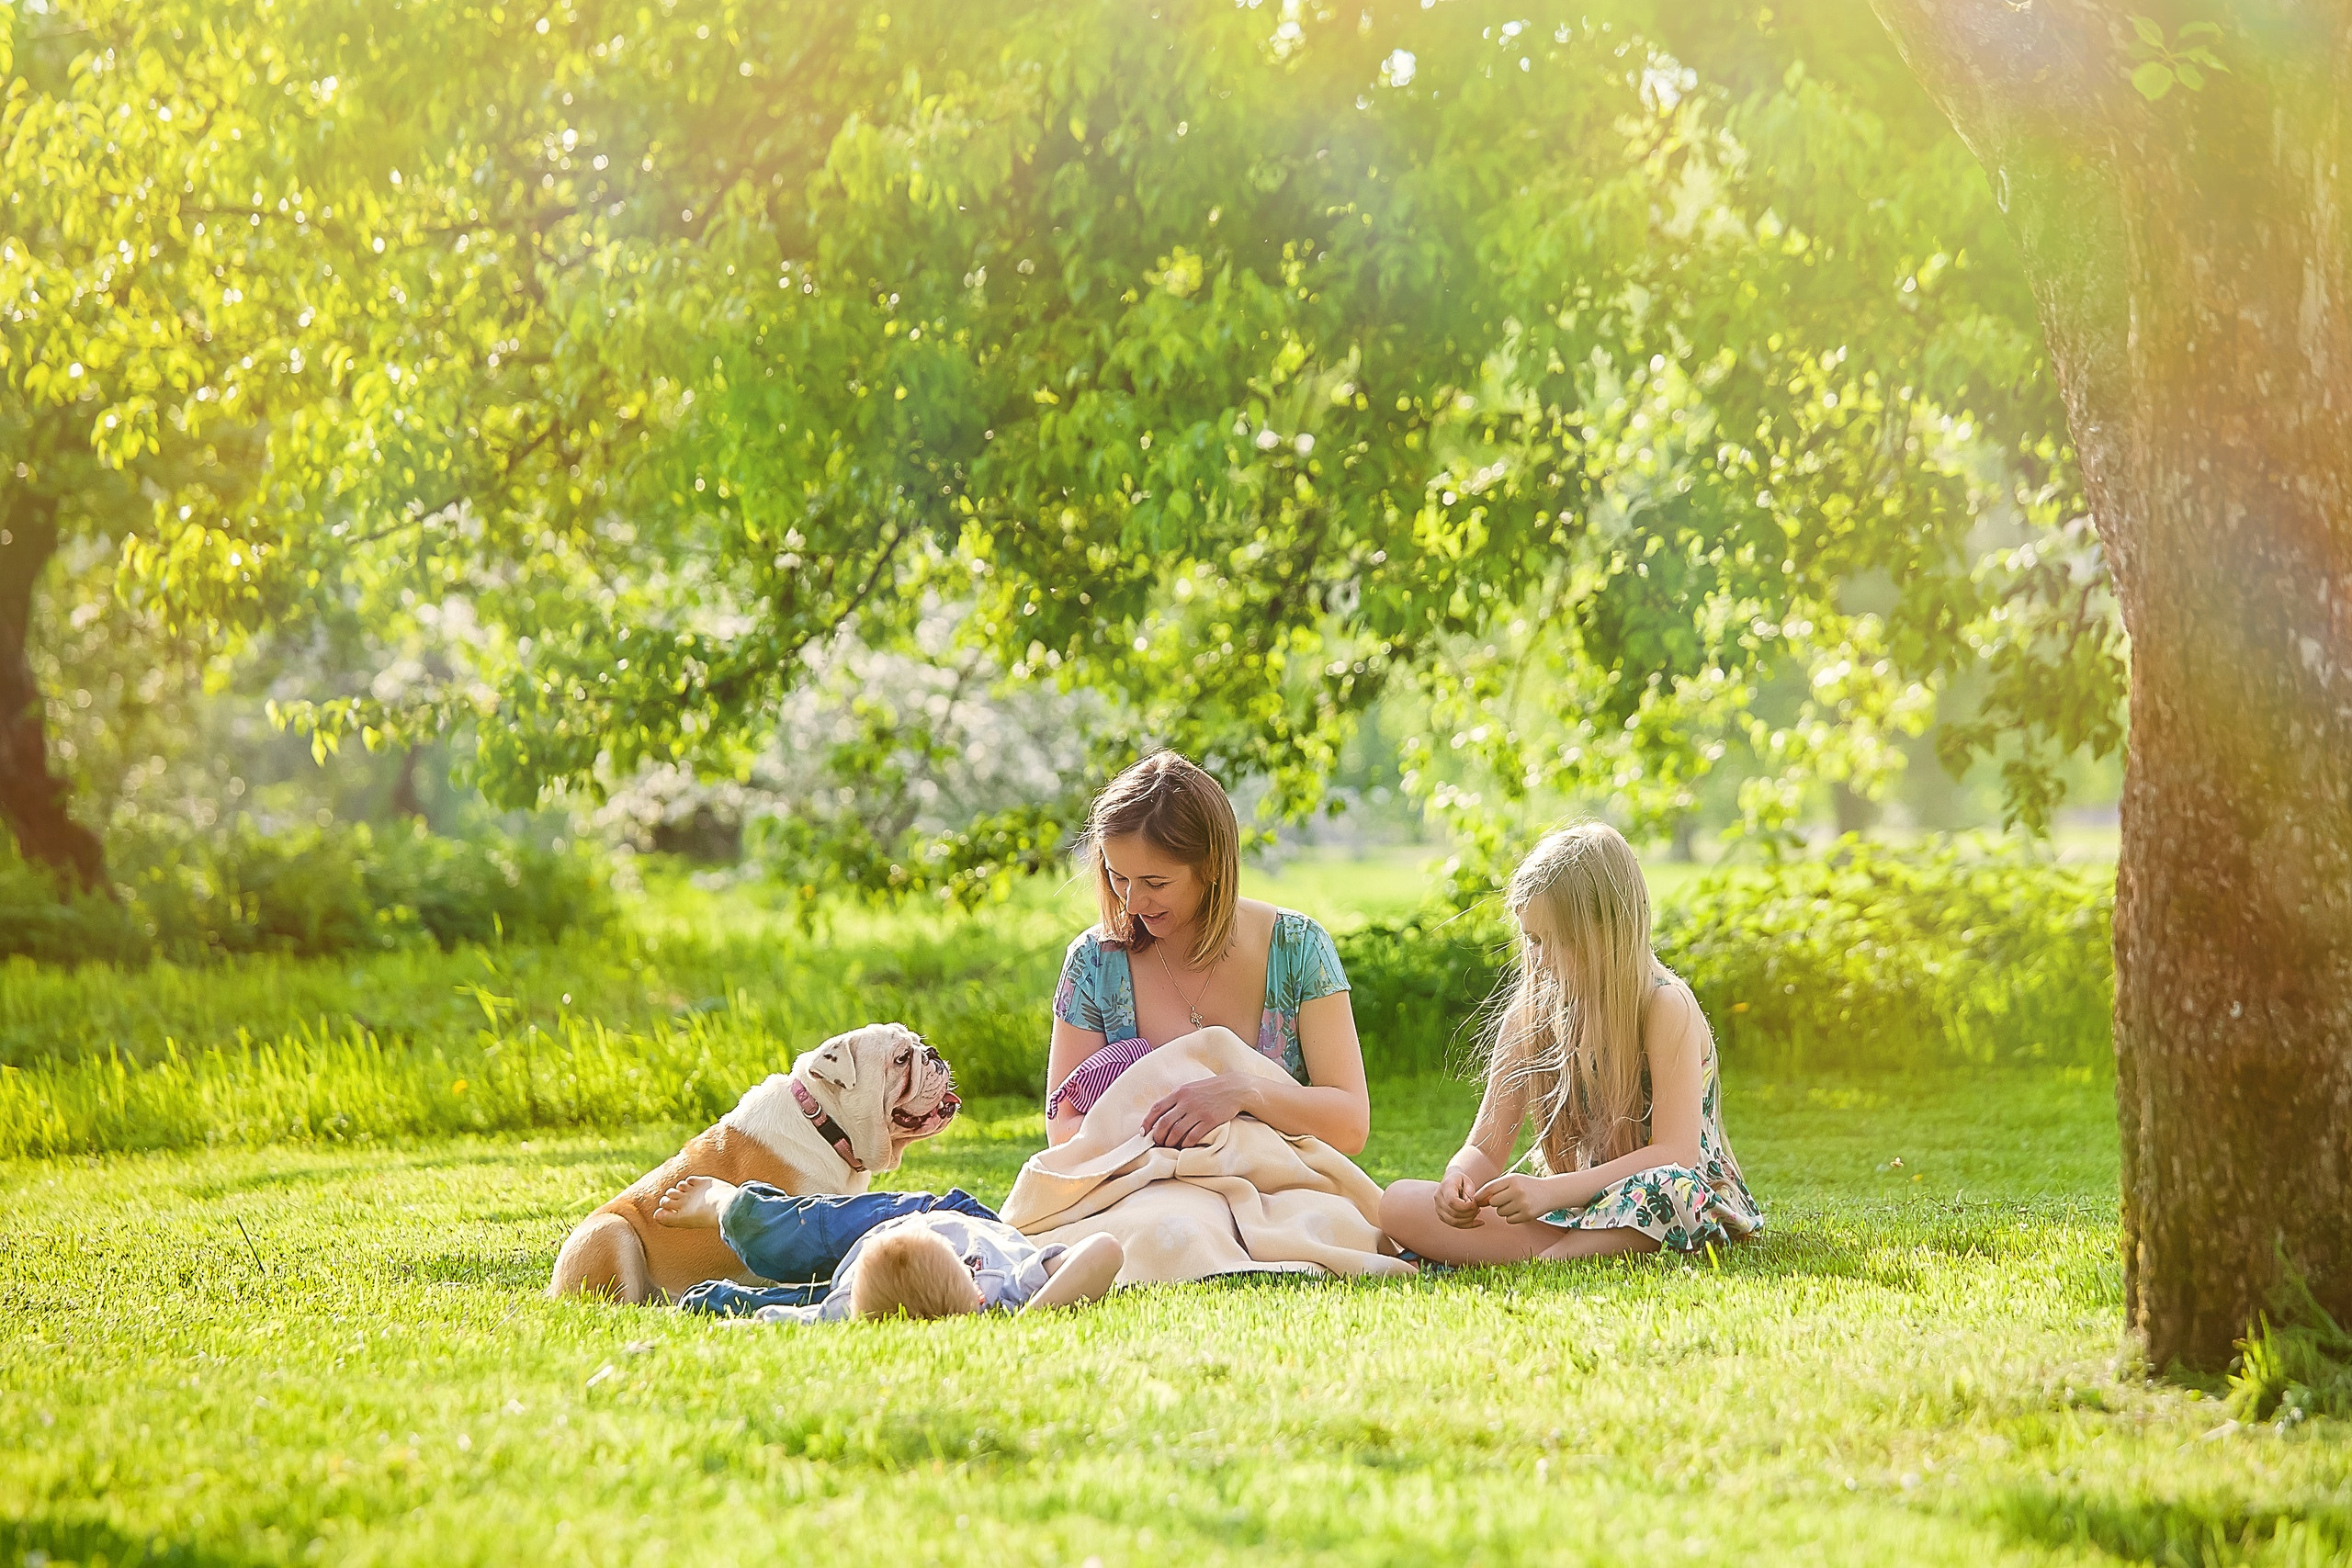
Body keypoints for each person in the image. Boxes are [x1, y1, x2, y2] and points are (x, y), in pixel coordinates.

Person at [1378, 821, 1763, 1263]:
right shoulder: (1531, 1016)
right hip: (1574, 1209)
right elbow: (1484, 1148)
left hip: (1671, 1198)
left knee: (1668, 1191)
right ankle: (1574, 1249)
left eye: (1550, 940)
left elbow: (1677, 1154)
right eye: (1530, 939)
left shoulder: (1663, 1005)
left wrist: (1549, 1191)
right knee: (1398, 1202)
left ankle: (1554, 1255)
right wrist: (1457, 1180)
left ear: (1604, 932)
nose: (1536, 957)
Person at [1045, 750, 1371, 1154]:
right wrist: (1166, 1142)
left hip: (1269, 1185)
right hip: (1138, 1189)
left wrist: (1242, 1092)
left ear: (1212, 866)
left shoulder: (1298, 948)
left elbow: (1351, 1126)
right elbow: (1062, 1129)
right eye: (1118, 877)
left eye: (1156, 883)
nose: (1132, 903)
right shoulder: (1094, 962)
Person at [651, 1174, 1124, 1322]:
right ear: (979, 1293)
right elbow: (1104, 1251)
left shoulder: (852, 1308)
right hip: (931, 1216)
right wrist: (1031, 1320)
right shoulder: (1010, 1286)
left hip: (864, 1277)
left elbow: (783, 1324)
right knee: (779, 1243)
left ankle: (711, 1297)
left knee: (798, 1310)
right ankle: (725, 1205)